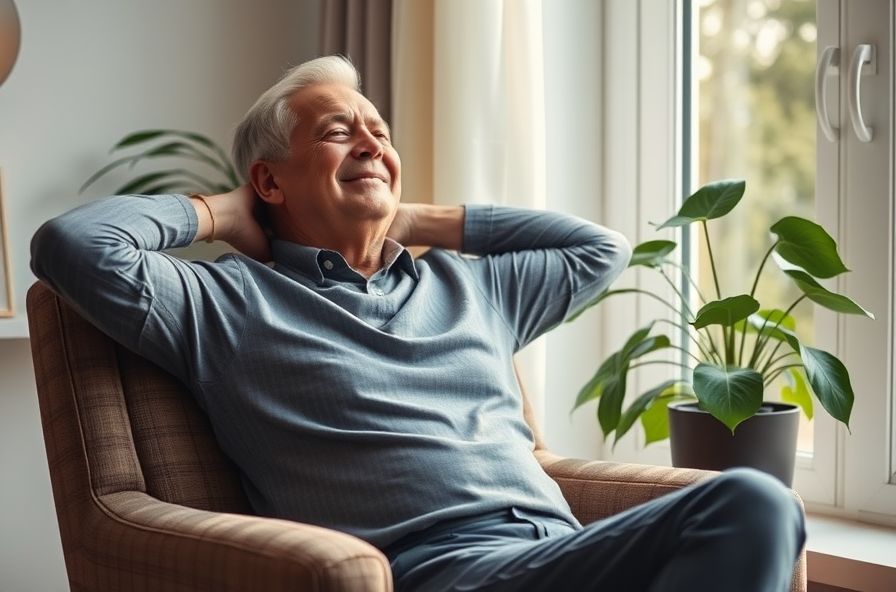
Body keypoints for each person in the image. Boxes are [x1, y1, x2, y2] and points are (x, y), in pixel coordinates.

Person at [31, 55, 805, 592]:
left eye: (381, 134)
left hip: (564, 552)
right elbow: (70, 246)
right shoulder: (225, 303)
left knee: (764, 508)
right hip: (437, 571)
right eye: (339, 132)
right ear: (269, 178)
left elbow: (598, 249)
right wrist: (221, 211)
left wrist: (414, 214)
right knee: (754, 502)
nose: (372, 143)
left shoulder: (471, 289)